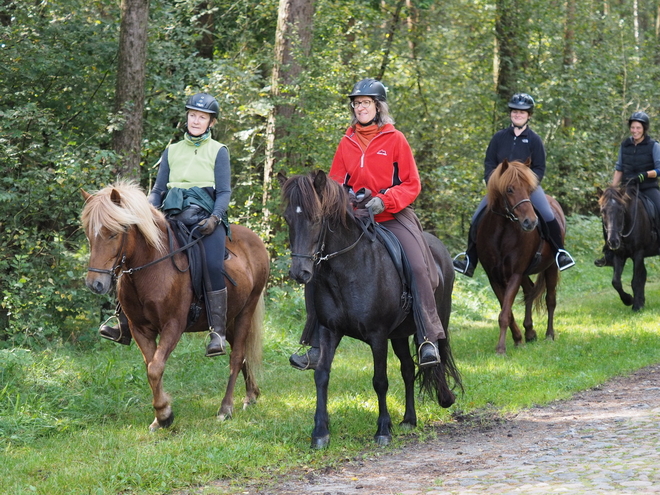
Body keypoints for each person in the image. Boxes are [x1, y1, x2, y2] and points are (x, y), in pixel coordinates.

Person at [289, 78, 445, 370]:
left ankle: (427, 338)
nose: (361, 107)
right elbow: (334, 184)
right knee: (318, 265)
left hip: (392, 215)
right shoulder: (346, 141)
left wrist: (385, 200)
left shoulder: (395, 139)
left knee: (418, 266)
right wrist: (344, 202)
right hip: (354, 215)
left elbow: (412, 184)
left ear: (378, 107)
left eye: (366, 103)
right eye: (357, 103)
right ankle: (313, 345)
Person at [99, 92, 231, 357]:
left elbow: (225, 192)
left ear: (211, 122)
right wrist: (146, 212)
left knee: (214, 264)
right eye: (192, 115)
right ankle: (121, 320)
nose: (196, 121)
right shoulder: (172, 150)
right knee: (131, 253)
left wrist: (215, 217)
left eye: (202, 117)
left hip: (205, 217)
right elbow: (159, 190)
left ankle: (217, 331)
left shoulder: (219, 151)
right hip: (171, 215)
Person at [453, 93, 575, 277]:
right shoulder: (499, 138)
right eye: (515, 111)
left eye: (522, 112)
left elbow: (540, 167)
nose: (518, 115)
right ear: (511, 114)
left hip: (527, 189)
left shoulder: (534, 139)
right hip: (501, 191)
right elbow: (489, 164)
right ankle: (470, 260)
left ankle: (560, 253)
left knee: (548, 215)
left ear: (529, 115)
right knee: (476, 217)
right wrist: (494, 185)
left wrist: (529, 185)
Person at [595, 111, 660, 267]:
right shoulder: (625, 145)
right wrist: (612, 189)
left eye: (638, 128)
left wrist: (645, 175)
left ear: (644, 129)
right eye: (633, 127)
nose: (635, 131)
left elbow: (659, 169)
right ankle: (609, 251)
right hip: (627, 189)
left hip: (648, 187)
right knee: (609, 212)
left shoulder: (654, 145)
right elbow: (619, 169)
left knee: (659, 207)